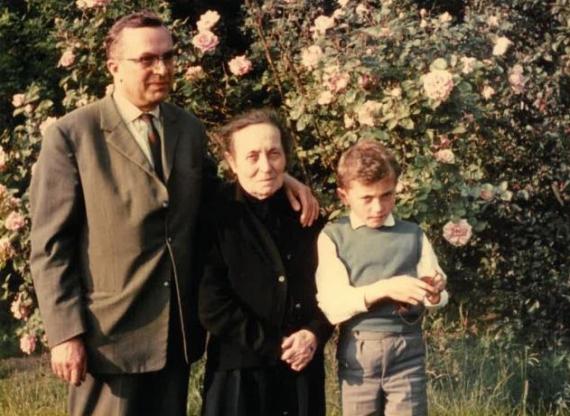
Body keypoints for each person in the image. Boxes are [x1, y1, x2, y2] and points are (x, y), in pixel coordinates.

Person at [29, 11, 317, 416]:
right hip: (109, 335)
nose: (161, 68)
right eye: (147, 59)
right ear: (114, 67)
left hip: (174, 335)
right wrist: (65, 334)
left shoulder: (187, 129)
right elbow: (50, 246)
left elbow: (217, 194)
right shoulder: (73, 135)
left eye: (168, 57)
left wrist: (281, 178)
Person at [198, 108, 333, 416]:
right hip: (238, 374)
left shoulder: (308, 215)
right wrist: (275, 345)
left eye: (274, 154)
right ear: (231, 162)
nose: (265, 166)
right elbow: (212, 306)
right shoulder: (214, 215)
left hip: (302, 367)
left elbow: (331, 289)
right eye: (252, 156)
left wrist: (314, 333)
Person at [315, 139, 449, 416]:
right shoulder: (334, 237)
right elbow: (332, 304)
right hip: (359, 352)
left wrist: (435, 292)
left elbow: (435, 289)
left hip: (407, 350)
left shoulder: (413, 235)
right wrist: (385, 288)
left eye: (387, 195)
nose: (378, 207)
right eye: (367, 198)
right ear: (344, 196)